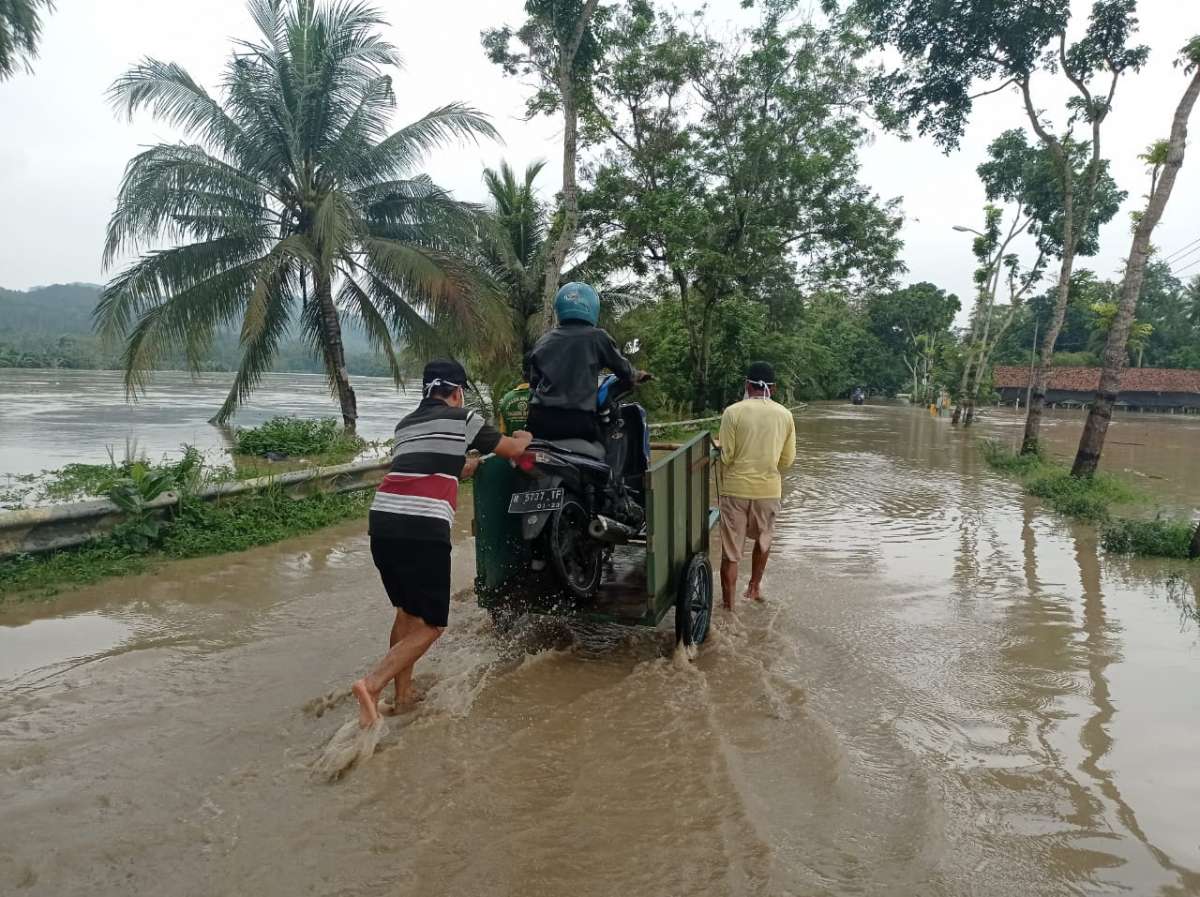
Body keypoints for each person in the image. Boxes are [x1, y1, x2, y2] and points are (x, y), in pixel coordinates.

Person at [352, 359, 532, 728]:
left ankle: (403, 697)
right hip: (422, 527)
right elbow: (513, 451)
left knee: (405, 612)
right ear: (458, 392)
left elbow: (447, 466)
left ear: (426, 391)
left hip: (383, 523)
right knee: (432, 625)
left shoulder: (406, 425)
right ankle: (372, 686)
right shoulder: (463, 419)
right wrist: (525, 438)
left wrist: (473, 465)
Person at [717, 361, 796, 610]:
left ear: (747, 385)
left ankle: (728, 607)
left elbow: (727, 456)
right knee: (763, 540)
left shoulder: (732, 412)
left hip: (735, 490)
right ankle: (753, 589)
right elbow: (787, 460)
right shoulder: (785, 415)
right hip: (768, 491)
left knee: (731, 552)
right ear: (772, 389)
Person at [526, 282, 647, 443]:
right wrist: (638, 375)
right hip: (578, 421)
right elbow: (625, 371)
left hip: (540, 421)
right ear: (592, 307)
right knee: (605, 452)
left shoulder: (543, 340)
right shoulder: (598, 337)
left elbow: (534, 383)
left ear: (559, 309)